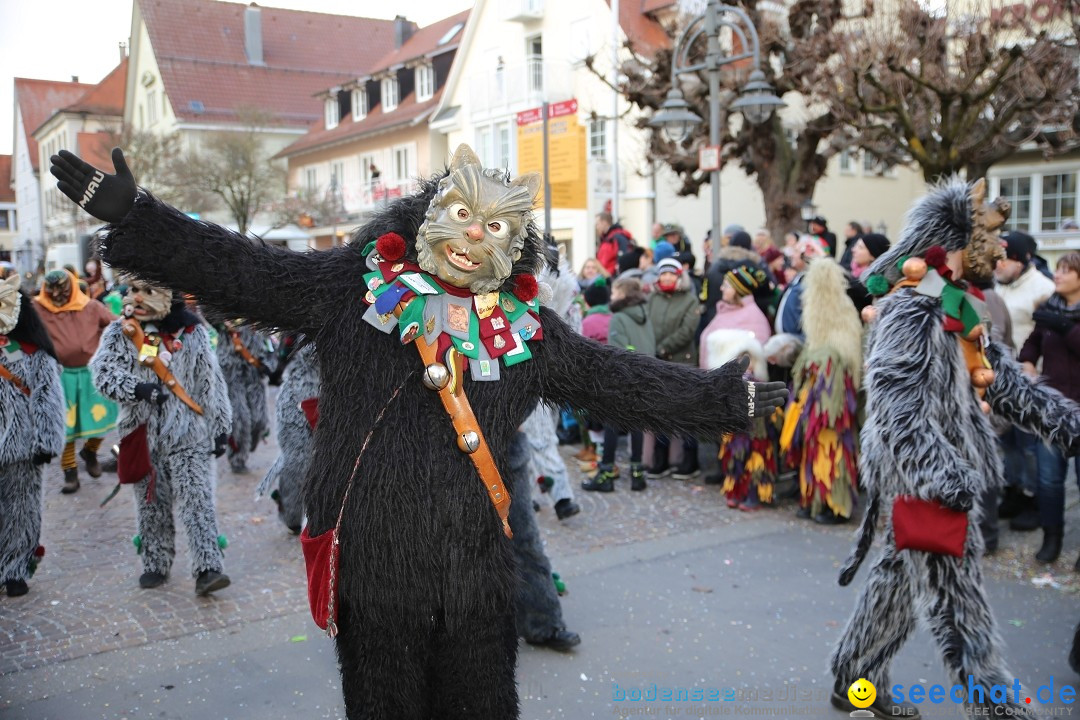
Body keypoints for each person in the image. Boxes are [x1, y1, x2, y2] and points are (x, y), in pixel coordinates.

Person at [52, 143, 786, 718]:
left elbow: (622, 380)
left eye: (495, 226)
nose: (475, 237)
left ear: (515, 244)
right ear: (429, 216)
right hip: (375, 574)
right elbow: (247, 271)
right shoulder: (352, 289)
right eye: (464, 216)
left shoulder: (526, 330)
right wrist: (140, 217)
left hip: (475, 578)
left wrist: (733, 403)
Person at [831, 178, 1080, 718]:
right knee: (956, 597)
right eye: (988, 239)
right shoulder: (912, 311)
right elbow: (897, 407)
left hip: (945, 468)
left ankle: (854, 678)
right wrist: (945, 476)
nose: (1000, 248)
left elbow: (1005, 385)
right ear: (954, 243)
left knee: (897, 579)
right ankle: (999, 710)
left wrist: (1069, 424)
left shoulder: (962, 309)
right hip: (922, 472)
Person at [90, 277, 233, 595]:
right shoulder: (120, 331)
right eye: (133, 291)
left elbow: (209, 380)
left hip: (189, 430)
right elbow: (102, 372)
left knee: (197, 500)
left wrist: (220, 428)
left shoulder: (191, 331)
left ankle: (208, 567)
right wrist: (136, 388)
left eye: (147, 291)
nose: (136, 298)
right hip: (142, 433)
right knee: (151, 501)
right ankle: (155, 562)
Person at [781, 257, 862, 524]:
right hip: (813, 395)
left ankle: (835, 504)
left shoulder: (841, 315)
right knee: (813, 449)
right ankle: (814, 500)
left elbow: (846, 359)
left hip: (832, 396)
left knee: (832, 448)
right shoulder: (817, 321)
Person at [0, 274, 66, 597]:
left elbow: (48, 397)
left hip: (24, 447)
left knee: (22, 509)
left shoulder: (33, 352)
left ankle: (16, 568)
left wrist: (46, 440)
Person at [1018, 251, 1080, 568]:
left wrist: (1066, 327)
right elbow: (1030, 346)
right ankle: (1051, 537)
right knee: (1049, 480)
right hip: (1052, 408)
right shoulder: (1049, 309)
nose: (1058, 275)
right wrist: (1028, 364)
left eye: (1067, 270)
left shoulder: (1058, 316)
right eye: (1058, 269)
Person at [34, 269, 117, 493]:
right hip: (61, 376)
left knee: (102, 419)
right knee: (67, 426)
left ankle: (90, 451)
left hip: (90, 374)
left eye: (62, 287)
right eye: (51, 288)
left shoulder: (91, 307)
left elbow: (116, 326)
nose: (57, 293)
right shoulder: (38, 309)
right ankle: (70, 471)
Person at [699, 266, 776, 508]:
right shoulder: (722, 312)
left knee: (753, 442)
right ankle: (736, 486)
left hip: (747, 389)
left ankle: (754, 490)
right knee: (732, 441)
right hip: (724, 388)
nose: (721, 288)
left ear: (739, 289)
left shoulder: (753, 316)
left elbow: (755, 352)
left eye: (727, 285)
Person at [994, 230, 1056, 532]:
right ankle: (1013, 489)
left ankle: (1032, 497)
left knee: (1030, 443)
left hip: (1032, 379)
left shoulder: (1043, 289)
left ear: (1021, 260)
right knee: (1007, 440)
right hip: (1000, 377)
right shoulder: (999, 286)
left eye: (1005, 259)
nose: (998, 264)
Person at [582, 277, 656, 493]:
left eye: (614, 293)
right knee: (636, 424)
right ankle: (637, 473)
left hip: (621, 378)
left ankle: (606, 473)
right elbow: (651, 345)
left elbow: (617, 353)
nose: (611, 297)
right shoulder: (645, 315)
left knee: (611, 423)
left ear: (623, 295)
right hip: (644, 374)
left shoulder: (619, 318)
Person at [647, 258, 703, 481]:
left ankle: (690, 461)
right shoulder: (652, 298)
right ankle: (660, 461)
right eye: (663, 274)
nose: (667, 278)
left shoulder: (690, 300)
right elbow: (647, 325)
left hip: (682, 360)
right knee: (660, 411)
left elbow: (687, 330)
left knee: (686, 412)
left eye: (672, 274)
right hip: (657, 362)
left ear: (680, 276)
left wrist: (662, 347)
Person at [258, 340, 319, 534]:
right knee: (297, 464)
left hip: (333, 399)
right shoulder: (298, 328)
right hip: (297, 402)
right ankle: (291, 512)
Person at [215, 320, 272, 473]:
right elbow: (208, 312)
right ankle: (237, 458)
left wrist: (268, 364)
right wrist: (223, 324)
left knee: (260, 419)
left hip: (254, 367)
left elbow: (269, 340)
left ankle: (250, 443)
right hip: (231, 367)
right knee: (240, 417)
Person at [595, 212, 635, 276]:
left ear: (604, 222)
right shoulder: (606, 239)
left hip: (613, 277)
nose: (597, 227)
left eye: (598, 224)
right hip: (605, 276)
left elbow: (623, 259)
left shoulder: (617, 237)